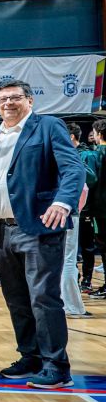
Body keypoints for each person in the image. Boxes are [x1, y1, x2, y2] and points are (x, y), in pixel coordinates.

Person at [0, 79, 85, 389]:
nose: (8, 103)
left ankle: (56, 365)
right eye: (3, 98)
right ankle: (30, 356)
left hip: (38, 227)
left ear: (29, 101)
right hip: (2, 231)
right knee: (17, 300)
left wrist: (63, 201)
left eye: (15, 98)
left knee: (43, 298)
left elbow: (73, 168)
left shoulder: (48, 127)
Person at [61, 123, 93, 318]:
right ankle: (72, 305)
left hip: (53, 213)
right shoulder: (72, 156)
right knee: (67, 260)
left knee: (60, 260)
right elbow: (87, 181)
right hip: (68, 213)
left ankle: (65, 303)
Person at [85, 119, 106, 297]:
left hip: (100, 210)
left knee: (103, 246)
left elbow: (91, 181)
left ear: (98, 135)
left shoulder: (95, 155)